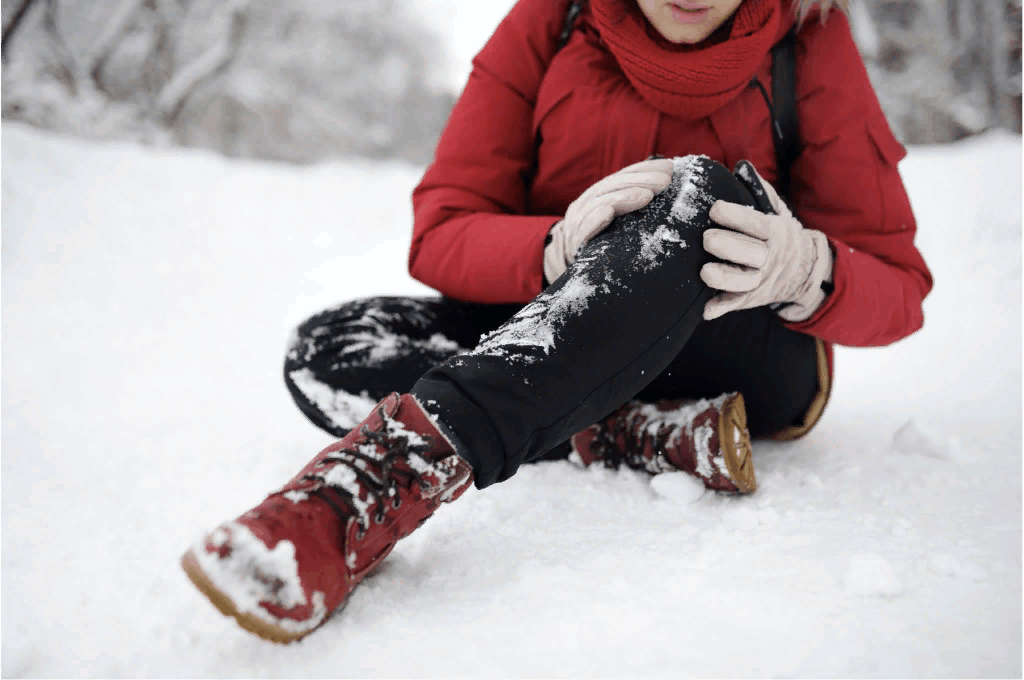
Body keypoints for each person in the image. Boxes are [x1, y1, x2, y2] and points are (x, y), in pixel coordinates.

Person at [181, 0, 932, 643]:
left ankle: (375, 484)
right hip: (560, 327)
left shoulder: (809, 34)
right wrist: (555, 247)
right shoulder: (554, 20)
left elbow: (900, 284)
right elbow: (440, 227)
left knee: (694, 190)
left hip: (743, 346)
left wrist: (809, 267)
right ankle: (622, 431)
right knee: (329, 350)